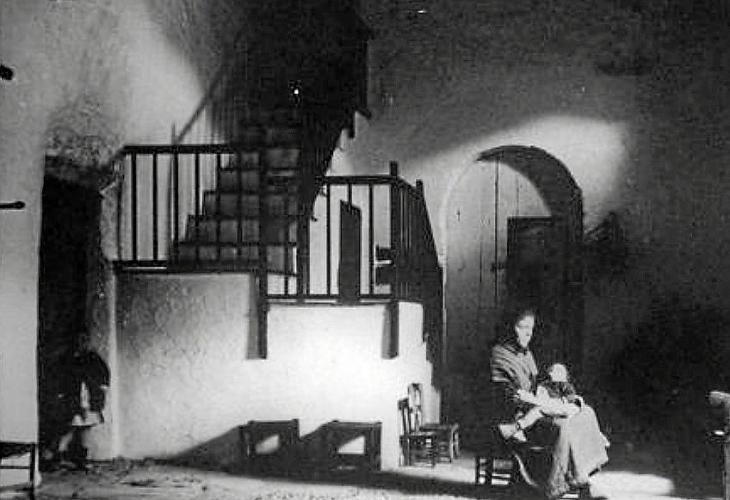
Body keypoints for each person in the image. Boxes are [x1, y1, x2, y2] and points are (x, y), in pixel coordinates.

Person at [490, 308, 609, 499]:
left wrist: (552, 399)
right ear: (509, 328)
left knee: (587, 412)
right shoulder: (499, 354)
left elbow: (537, 385)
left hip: (536, 405)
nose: (528, 333)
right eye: (522, 327)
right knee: (564, 426)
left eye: (531, 328)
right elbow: (504, 394)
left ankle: (582, 477)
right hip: (518, 415)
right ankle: (565, 485)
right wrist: (534, 402)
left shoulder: (526, 354)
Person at [55, 345, 110, 469]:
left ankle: (82, 459)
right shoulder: (67, 360)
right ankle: (59, 458)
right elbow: (61, 380)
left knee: (86, 429)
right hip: (75, 401)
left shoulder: (93, 359)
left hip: (89, 400)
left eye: (84, 340)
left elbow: (104, 375)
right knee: (70, 429)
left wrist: (101, 388)